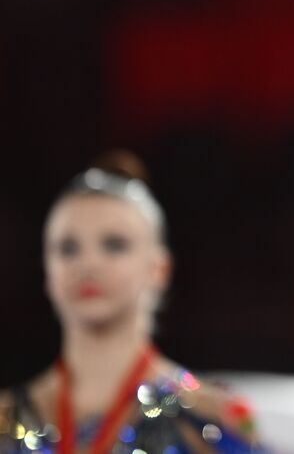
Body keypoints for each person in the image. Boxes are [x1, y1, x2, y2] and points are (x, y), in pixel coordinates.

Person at [0, 152, 262, 453]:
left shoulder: (211, 417)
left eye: (114, 245)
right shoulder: (6, 419)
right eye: (68, 248)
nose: (88, 265)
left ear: (158, 269)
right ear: (47, 270)